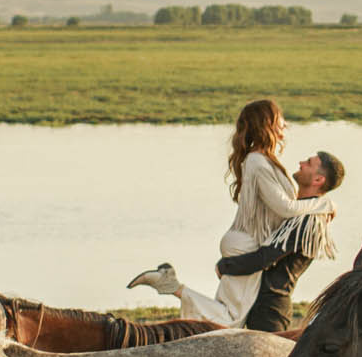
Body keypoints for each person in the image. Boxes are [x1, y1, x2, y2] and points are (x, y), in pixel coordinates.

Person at [131, 98, 346, 335]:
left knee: (227, 320)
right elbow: (283, 213)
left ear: (318, 179)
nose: (301, 162)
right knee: (227, 322)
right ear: (267, 126)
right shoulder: (261, 163)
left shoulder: (305, 214)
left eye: (308, 163)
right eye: (279, 120)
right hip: (250, 258)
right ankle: (172, 286)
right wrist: (325, 203)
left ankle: (172, 286)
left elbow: (268, 253)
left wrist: (226, 266)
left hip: (264, 290)